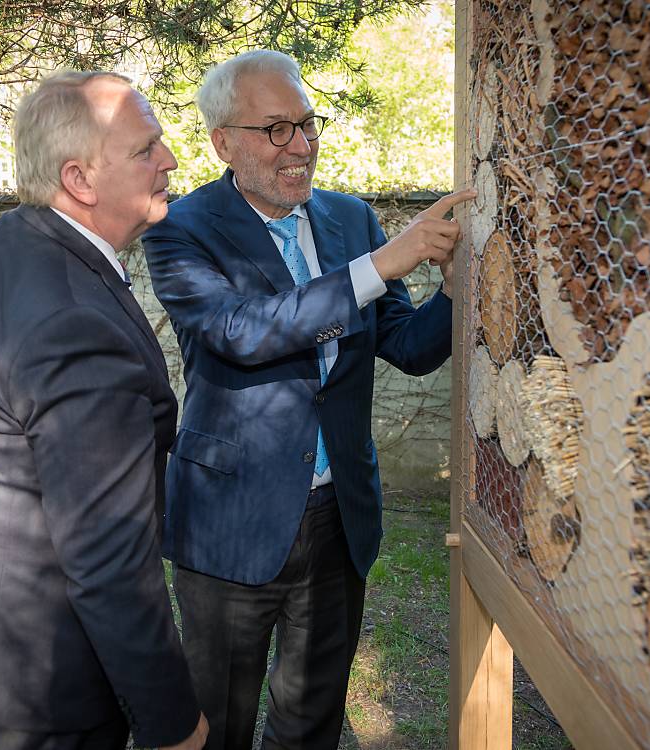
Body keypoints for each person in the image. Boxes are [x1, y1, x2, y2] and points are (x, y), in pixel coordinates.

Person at [143, 49, 474, 749]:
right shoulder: (180, 229)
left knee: (310, 720)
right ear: (223, 142)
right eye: (276, 130)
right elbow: (239, 331)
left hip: (337, 516)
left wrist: (449, 288)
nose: (301, 146)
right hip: (230, 521)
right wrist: (381, 266)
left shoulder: (352, 221)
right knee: (217, 723)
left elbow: (408, 347)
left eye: (307, 123)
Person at [0, 71, 208, 750]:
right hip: (49, 655)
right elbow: (107, 559)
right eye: (145, 149)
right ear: (80, 180)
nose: (171, 161)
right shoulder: (74, 319)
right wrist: (174, 724)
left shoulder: (5, 241)